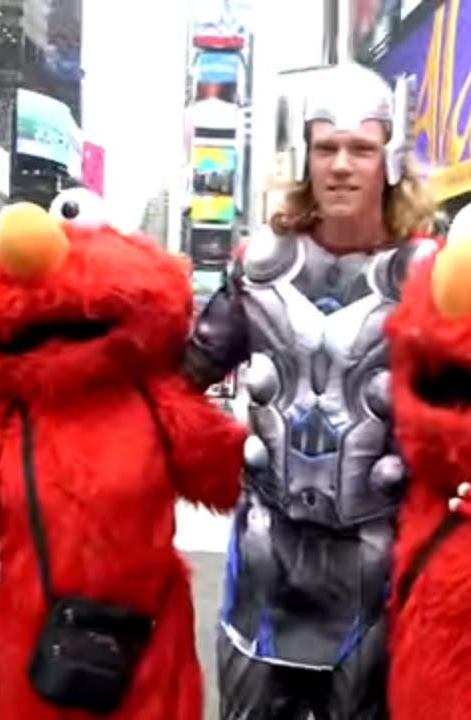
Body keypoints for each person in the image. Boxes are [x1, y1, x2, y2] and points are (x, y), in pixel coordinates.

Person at [184, 62, 436, 719]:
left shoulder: (432, 276)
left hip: (377, 551)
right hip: (269, 547)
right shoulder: (259, 267)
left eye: (362, 148)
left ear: (391, 158)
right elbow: (181, 370)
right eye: (327, 147)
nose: (343, 165)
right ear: (304, 157)